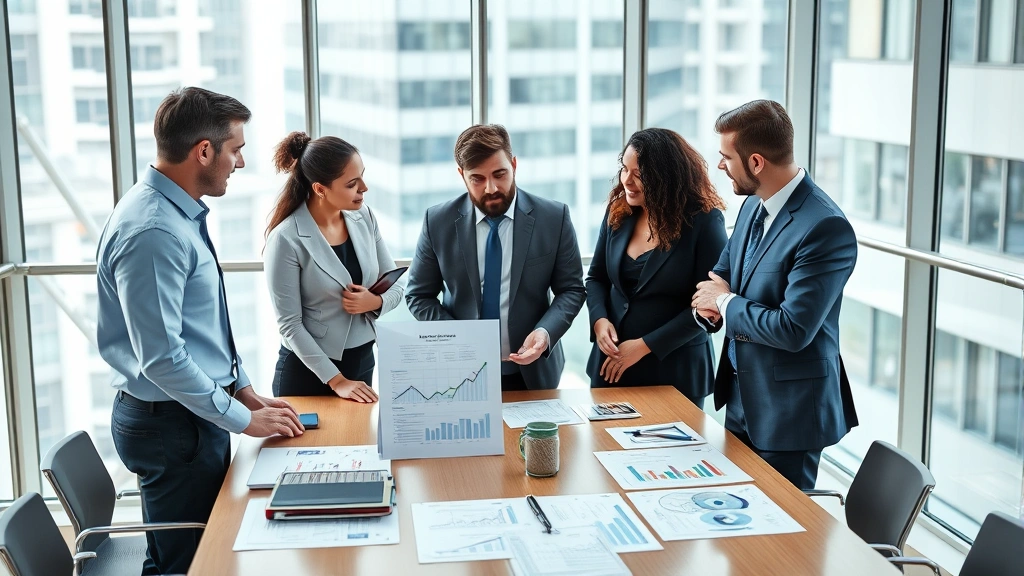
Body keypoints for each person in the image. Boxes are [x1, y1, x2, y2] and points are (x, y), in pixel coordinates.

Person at [96, 87, 304, 575]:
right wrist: (239, 416)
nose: (242, 162)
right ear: (204, 151)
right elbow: (163, 357)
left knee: (207, 555)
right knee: (187, 565)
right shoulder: (155, 231)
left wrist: (245, 392)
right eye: (236, 149)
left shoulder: (175, 213)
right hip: (172, 426)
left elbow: (203, 327)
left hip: (186, 414)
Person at [691, 100, 859, 490]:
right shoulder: (752, 205)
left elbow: (793, 328)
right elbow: (720, 278)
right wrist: (713, 309)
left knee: (784, 542)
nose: (720, 166)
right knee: (739, 527)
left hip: (791, 414)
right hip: (741, 397)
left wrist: (725, 303)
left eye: (725, 157)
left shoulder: (825, 227)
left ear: (755, 162)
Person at [405, 124, 586, 391]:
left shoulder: (554, 218)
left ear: (514, 164)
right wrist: (456, 338)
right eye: (477, 178)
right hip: (461, 374)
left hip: (534, 374)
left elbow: (571, 289)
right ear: (462, 175)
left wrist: (545, 333)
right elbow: (418, 296)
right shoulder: (438, 221)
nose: (491, 188)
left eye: (500, 174)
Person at [586, 128, 727, 405]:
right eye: (624, 169)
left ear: (666, 176)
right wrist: (599, 321)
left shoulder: (704, 222)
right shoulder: (618, 212)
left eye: (639, 174)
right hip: (611, 369)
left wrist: (644, 346)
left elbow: (709, 308)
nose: (627, 180)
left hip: (675, 372)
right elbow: (596, 278)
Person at [264, 132, 403, 400]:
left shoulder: (365, 216)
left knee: (359, 440)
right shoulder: (285, 239)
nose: (364, 188)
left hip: (362, 360)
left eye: (362, 175)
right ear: (320, 189)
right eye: (352, 184)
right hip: (309, 372)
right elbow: (290, 325)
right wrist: (337, 381)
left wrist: (374, 302)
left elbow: (396, 283)